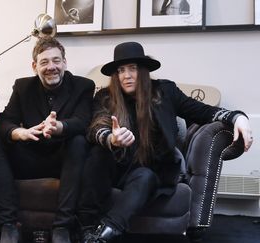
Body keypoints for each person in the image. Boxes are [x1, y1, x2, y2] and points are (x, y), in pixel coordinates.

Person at [77, 42, 254, 243]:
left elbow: (203, 111)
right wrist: (111, 137)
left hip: (151, 169)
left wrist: (238, 117)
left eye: (132, 69)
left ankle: (102, 235)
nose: (126, 75)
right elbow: (95, 126)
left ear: (142, 71)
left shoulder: (165, 91)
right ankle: (87, 227)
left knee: (144, 177)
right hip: (117, 167)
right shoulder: (105, 96)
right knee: (97, 154)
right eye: (121, 70)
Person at [0, 37, 95, 243]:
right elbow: (3, 123)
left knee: (79, 141)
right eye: (44, 62)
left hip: (65, 160)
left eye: (56, 60)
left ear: (64, 62)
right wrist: (20, 133)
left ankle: (62, 226)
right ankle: (9, 224)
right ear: (35, 66)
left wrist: (58, 127)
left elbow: (83, 122)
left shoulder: (83, 86)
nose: (51, 67)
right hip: (30, 157)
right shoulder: (23, 86)